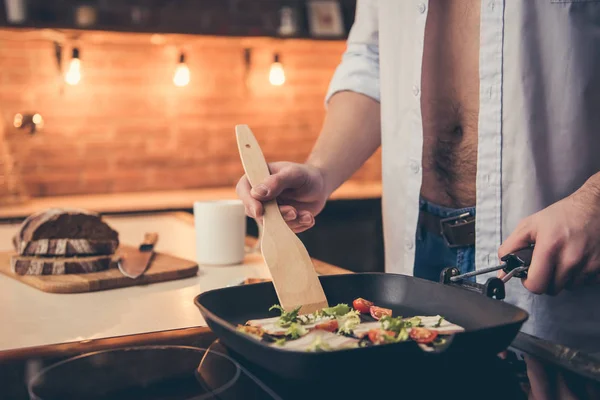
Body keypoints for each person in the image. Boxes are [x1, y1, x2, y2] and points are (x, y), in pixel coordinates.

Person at [236, 1, 600, 355]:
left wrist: (594, 202)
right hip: (416, 254)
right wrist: (321, 169)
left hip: (543, 251)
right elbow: (372, 58)